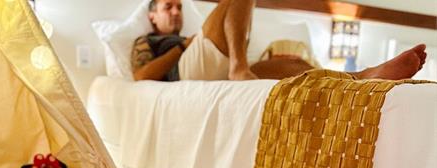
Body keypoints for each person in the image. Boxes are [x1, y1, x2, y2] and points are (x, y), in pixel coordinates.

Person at [132, 0, 427, 82]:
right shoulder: (148, 41)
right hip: (188, 72)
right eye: (168, 7)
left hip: (219, 69)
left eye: (179, 7)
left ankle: (359, 77)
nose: (176, 11)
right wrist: (183, 45)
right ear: (152, 16)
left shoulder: (190, 39)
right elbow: (141, 75)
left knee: (295, 66)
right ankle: (239, 67)